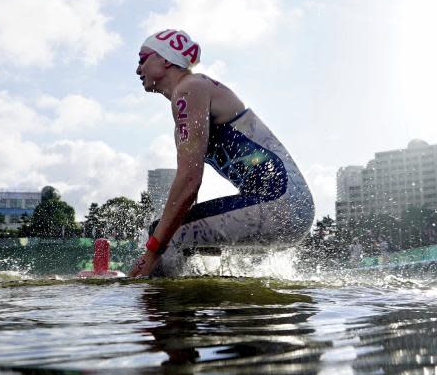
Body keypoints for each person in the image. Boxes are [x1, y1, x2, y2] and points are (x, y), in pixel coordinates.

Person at [128, 29, 314, 276]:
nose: (137, 70)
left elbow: (189, 182)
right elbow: (187, 198)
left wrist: (150, 253)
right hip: (285, 205)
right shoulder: (192, 98)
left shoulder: (190, 89)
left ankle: (158, 309)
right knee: (169, 231)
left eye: (142, 59)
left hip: (281, 202)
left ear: (165, 59)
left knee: (165, 236)